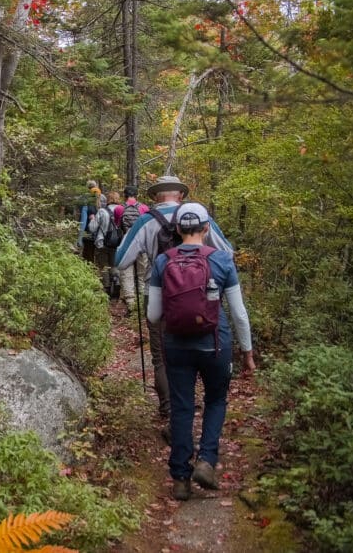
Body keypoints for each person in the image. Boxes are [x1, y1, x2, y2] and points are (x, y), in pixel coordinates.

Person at [146, 203, 256, 501]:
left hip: (176, 345)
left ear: (178, 229)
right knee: (216, 400)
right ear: (207, 228)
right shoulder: (222, 261)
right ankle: (206, 461)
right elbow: (239, 313)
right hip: (215, 344)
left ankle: (180, 478)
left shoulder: (162, 261)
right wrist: (247, 352)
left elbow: (154, 315)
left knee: (182, 407)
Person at [114, 175, 234, 421]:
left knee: (162, 357)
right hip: (199, 296)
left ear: (156, 197)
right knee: (196, 348)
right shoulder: (199, 217)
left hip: (157, 295)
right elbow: (227, 252)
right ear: (180, 195)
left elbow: (121, 260)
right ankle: (195, 403)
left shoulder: (146, 221)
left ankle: (170, 409)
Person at [114, 185, 150, 314]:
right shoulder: (144, 208)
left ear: (124, 195)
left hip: (126, 241)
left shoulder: (119, 208)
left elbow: (118, 225)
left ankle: (131, 304)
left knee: (126, 272)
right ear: (137, 195)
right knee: (142, 273)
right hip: (142, 242)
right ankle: (142, 298)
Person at [75, 180, 106, 263]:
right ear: (96, 186)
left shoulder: (83, 198)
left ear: (88, 188)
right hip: (102, 229)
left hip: (89, 229)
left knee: (88, 252)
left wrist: (80, 236)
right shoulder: (103, 197)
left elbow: (83, 218)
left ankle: (89, 267)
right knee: (100, 252)